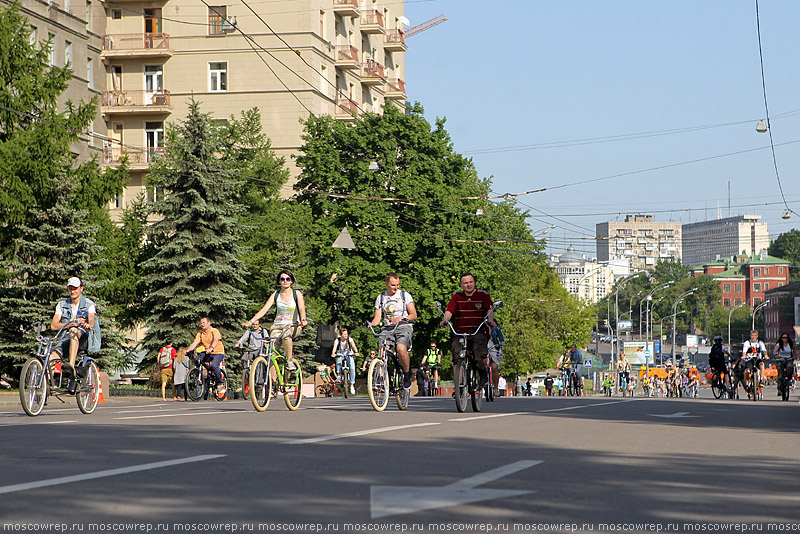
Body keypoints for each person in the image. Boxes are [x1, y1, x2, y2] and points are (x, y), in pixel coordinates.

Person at [440, 273, 496, 389]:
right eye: (465, 283)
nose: (468, 285)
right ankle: (458, 386)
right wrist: (445, 320)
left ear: (474, 282)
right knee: (456, 358)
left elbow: (489, 310)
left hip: (478, 331)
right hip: (460, 332)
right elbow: (449, 310)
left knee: (480, 355)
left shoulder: (483, 295)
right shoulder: (457, 296)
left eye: (470, 282)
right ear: (461, 285)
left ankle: (482, 372)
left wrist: (491, 321)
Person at [244, 269, 309, 369]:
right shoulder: (276, 295)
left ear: (291, 281)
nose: (285, 281)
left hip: (293, 325)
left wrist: (303, 319)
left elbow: (301, 308)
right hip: (277, 326)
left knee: (286, 336)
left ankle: (290, 360)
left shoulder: (297, 294)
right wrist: (251, 321)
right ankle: (272, 382)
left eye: (288, 279)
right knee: (271, 355)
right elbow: (265, 309)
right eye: (282, 279)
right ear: (279, 281)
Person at [50, 277, 101, 394]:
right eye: (70, 288)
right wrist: (69, 324)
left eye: (75, 288)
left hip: (83, 338)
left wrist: (88, 325)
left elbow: (92, 320)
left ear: (81, 289)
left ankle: (71, 366)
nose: (73, 291)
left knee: (73, 330)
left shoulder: (89, 304)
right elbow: (54, 325)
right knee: (52, 356)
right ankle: (47, 386)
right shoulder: (62, 304)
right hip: (66, 338)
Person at [370, 273, 417, 392]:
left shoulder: (404, 295)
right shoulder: (381, 298)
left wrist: (400, 319)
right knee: (382, 349)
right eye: (393, 285)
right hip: (388, 328)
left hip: (403, 326)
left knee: (401, 348)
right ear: (386, 284)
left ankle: (406, 374)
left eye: (397, 285)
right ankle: (380, 379)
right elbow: (377, 318)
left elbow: (413, 315)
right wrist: (370, 324)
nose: (395, 287)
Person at [186, 317, 226, 396]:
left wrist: (211, 348)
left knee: (214, 365)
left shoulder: (214, 331)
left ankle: (219, 382)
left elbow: (215, 340)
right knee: (197, 359)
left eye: (204, 323)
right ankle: (200, 377)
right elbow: (195, 343)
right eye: (201, 323)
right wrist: (188, 350)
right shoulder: (200, 333)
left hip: (218, 352)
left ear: (209, 323)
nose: (202, 324)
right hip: (208, 352)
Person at [331, 327, 359, 395]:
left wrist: (356, 352)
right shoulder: (337, 340)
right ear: (341, 335)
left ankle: (352, 385)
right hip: (341, 353)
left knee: (352, 368)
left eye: (347, 334)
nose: (346, 335)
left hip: (349, 354)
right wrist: (333, 353)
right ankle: (339, 375)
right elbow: (334, 348)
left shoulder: (350, 339)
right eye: (345, 334)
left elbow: (354, 346)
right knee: (338, 361)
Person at [773, 332, 794, 397]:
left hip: (788, 359)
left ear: (788, 338)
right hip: (780, 359)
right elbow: (775, 351)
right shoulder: (779, 344)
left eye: (786, 337)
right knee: (780, 374)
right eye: (783, 337)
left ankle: (789, 379)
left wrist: (795, 356)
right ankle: (779, 388)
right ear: (781, 338)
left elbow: (794, 351)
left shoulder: (790, 344)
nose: (785, 339)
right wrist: (776, 355)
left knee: (790, 367)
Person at [488, 324, 506, 395]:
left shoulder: (495, 328)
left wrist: (502, 342)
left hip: (493, 349)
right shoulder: (479, 326)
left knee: (494, 367)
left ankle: (495, 388)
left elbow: (501, 337)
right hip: (482, 348)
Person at [158, 337, 176, 402]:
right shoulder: (173, 350)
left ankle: (163, 398)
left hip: (163, 368)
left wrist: (159, 365)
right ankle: (174, 397)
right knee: (172, 383)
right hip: (170, 368)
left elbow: (158, 357)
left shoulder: (162, 349)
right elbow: (174, 358)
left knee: (163, 383)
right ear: (171, 343)